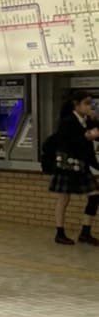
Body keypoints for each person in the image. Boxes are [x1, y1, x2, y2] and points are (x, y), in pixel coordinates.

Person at [50, 89, 99, 246]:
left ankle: (85, 232)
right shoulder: (67, 121)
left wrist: (95, 121)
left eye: (90, 103)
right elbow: (66, 142)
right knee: (63, 198)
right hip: (68, 165)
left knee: (94, 195)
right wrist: (86, 136)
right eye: (86, 103)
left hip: (82, 165)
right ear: (76, 105)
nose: (89, 107)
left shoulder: (87, 120)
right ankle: (60, 232)